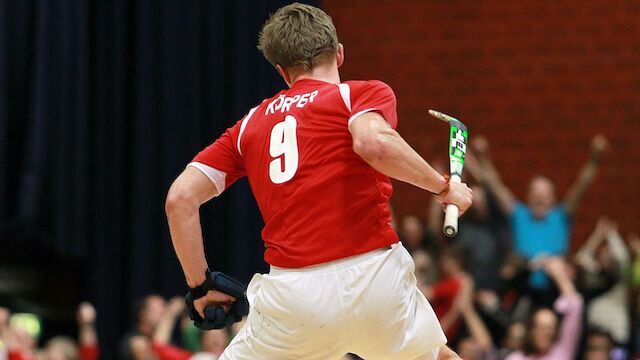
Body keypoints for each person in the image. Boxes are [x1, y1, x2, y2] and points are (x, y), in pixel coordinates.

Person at [165, 3, 472, 359]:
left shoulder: (249, 126)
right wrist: (444, 187)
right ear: (339, 52)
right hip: (375, 280)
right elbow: (372, 142)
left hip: (295, 298)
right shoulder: (357, 95)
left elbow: (180, 199)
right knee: (436, 354)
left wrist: (200, 286)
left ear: (282, 71)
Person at [473, 134, 608, 292]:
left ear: (553, 199)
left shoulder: (560, 217)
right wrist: (483, 158)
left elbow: (581, 187)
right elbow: (495, 186)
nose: (540, 200)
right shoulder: (519, 214)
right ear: (528, 197)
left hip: (555, 290)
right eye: (536, 196)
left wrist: (594, 159)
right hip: (523, 287)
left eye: (544, 197)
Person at [506, 257, 583, 360]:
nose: (546, 333)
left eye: (550, 328)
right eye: (541, 327)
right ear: (531, 330)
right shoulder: (516, 358)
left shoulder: (561, 353)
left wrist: (559, 274)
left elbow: (575, 306)